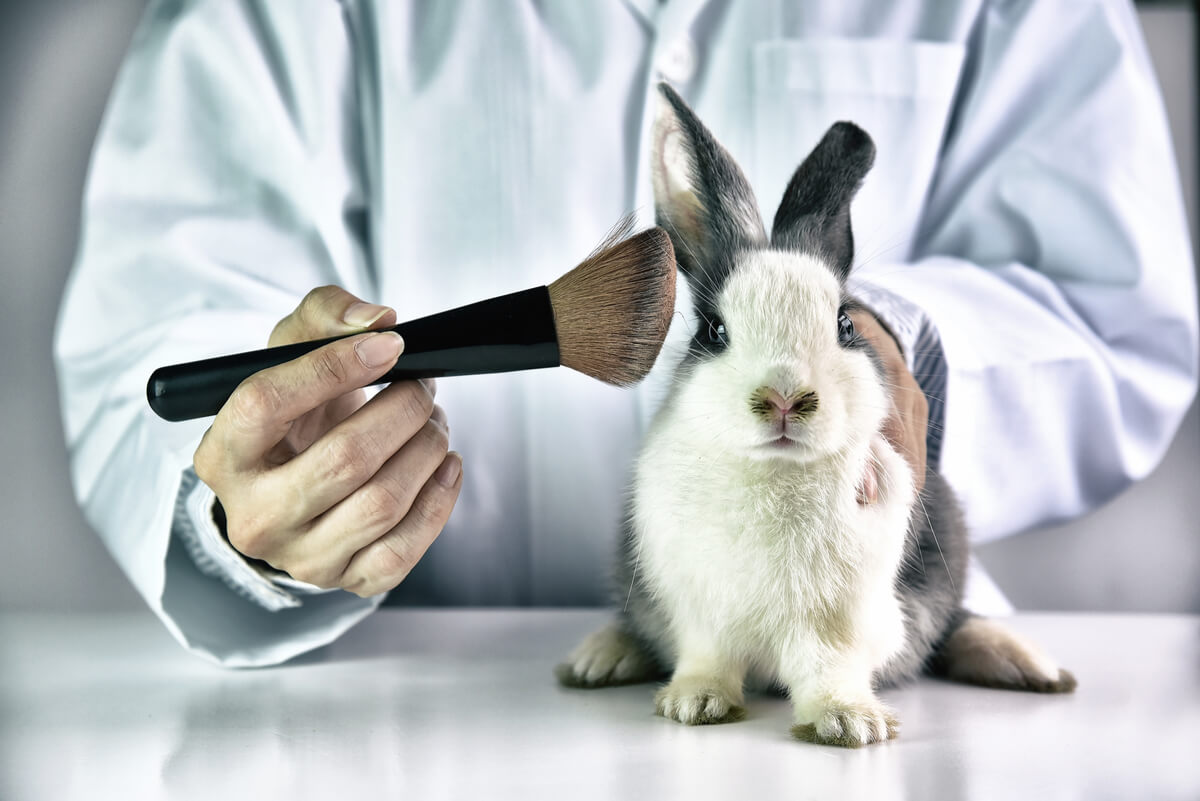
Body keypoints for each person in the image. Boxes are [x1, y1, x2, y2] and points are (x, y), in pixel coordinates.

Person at [55, 0, 1197, 667]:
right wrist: (250, 494)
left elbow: (1112, 302)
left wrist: (877, 349)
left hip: (850, 658)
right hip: (417, 709)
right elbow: (156, 316)